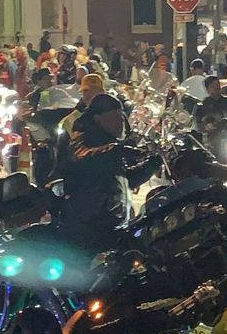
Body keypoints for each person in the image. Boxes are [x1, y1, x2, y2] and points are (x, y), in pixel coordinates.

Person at [61, 92, 159, 250]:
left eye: (122, 117)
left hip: (112, 224)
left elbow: (123, 180)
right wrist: (117, 150)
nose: (121, 122)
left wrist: (151, 165)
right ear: (98, 117)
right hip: (89, 226)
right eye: (116, 116)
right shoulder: (82, 137)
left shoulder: (108, 142)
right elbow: (83, 156)